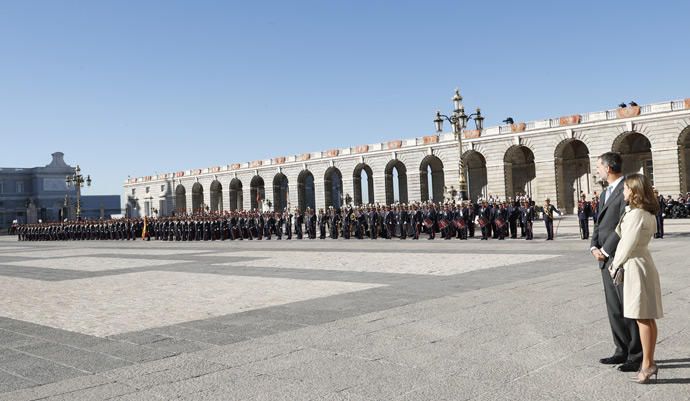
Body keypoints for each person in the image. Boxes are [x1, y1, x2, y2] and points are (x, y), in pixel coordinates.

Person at [590, 152, 642, 372]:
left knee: (627, 306)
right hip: (603, 257)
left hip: (619, 256)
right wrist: (593, 245)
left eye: (599, 167)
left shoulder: (626, 189)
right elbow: (599, 222)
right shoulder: (605, 193)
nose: (598, 170)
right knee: (613, 306)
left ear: (609, 168)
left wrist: (605, 249)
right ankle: (620, 349)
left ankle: (635, 354)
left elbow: (624, 223)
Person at [610, 173, 663, 383]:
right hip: (644, 262)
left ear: (633, 191)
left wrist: (614, 265)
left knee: (642, 317)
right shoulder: (644, 213)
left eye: (625, 189)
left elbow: (626, 244)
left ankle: (648, 365)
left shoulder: (636, 215)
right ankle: (649, 362)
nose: (622, 192)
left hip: (634, 265)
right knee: (647, 317)